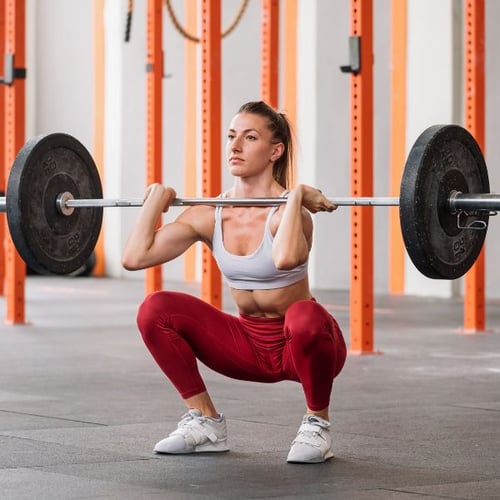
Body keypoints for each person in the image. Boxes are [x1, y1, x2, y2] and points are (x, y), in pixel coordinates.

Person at [122, 100, 347, 464]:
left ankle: (317, 423)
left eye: (250, 137)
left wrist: (297, 196)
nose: (235, 146)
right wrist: (154, 201)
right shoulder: (210, 213)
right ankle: (206, 423)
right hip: (246, 347)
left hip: (304, 349)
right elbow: (135, 258)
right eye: (231, 136)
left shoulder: (288, 214)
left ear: (276, 151)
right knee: (155, 309)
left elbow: (286, 258)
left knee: (305, 315)